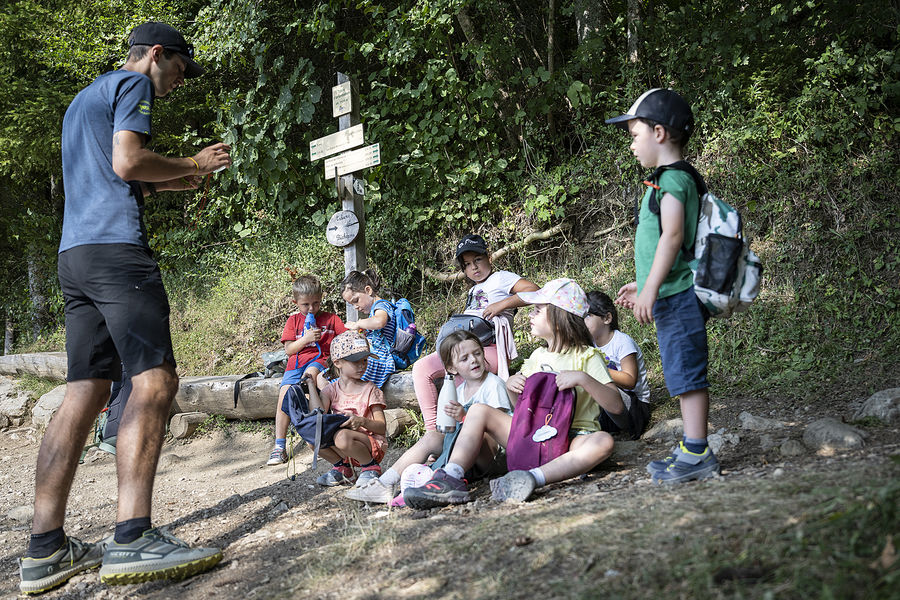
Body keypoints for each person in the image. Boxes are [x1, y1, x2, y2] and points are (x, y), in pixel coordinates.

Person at [18, 22, 231, 594]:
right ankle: (133, 537)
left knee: (85, 391)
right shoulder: (131, 86)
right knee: (155, 381)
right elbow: (128, 163)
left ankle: (45, 549)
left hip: (75, 256)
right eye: (180, 71)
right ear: (155, 55)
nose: (179, 84)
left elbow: (109, 178)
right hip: (118, 256)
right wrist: (190, 164)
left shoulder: (81, 101)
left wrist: (170, 183)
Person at [403, 278, 625, 508]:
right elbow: (520, 408)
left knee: (603, 441)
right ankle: (450, 476)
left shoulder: (587, 357)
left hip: (572, 437)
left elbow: (616, 406)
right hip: (532, 433)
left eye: (538, 311)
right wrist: (513, 388)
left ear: (559, 318)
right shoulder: (538, 357)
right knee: (478, 411)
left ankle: (532, 478)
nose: (530, 315)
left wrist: (583, 379)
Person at [605, 88, 720, 484]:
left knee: (687, 373)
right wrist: (644, 284)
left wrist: (652, 287)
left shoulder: (673, 180)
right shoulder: (667, 180)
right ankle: (692, 448)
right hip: (672, 292)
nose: (632, 145)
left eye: (634, 136)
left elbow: (673, 237)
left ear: (659, 132)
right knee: (680, 372)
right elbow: (667, 244)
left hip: (679, 296)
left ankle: (697, 451)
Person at [345, 330, 513, 504]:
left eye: (477, 353)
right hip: (466, 454)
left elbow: (494, 430)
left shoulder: (493, 385)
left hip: (491, 457)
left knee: (467, 421)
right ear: (451, 368)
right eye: (465, 358)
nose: (473, 360)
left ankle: (445, 475)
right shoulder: (458, 391)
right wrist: (441, 448)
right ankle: (384, 483)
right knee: (433, 436)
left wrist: (464, 417)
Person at [411, 234, 539, 431]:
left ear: (488, 257)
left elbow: (535, 290)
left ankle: (465, 428)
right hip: (465, 346)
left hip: (490, 348)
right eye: (468, 264)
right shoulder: (474, 290)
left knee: (463, 367)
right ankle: (433, 431)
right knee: (421, 368)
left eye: (478, 260)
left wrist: (503, 304)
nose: (474, 267)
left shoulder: (501, 278)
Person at [267, 275, 346, 466]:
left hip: (320, 360)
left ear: (322, 298)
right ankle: (279, 445)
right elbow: (289, 350)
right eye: (306, 305)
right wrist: (306, 338)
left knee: (310, 376)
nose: (311, 309)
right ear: (296, 303)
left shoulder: (330, 319)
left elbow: (345, 338)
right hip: (295, 363)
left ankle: (317, 431)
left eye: (316, 303)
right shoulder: (293, 321)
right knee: (284, 394)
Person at [312, 331, 388, 486]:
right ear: (338, 362)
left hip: (370, 445)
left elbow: (381, 427)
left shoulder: (370, 389)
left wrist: (362, 422)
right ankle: (343, 468)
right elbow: (316, 415)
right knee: (312, 435)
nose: (362, 365)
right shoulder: (330, 390)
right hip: (344, 447)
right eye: (355, 361)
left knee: (342, 437)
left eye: (365, 360)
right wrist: (310, 386)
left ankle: (370, 467)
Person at [585, 290, 651, 438]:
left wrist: (596, 370)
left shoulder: (622, 342)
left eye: (588, 316)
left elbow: (630, 380)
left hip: (635, 407)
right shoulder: (590, 345)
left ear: (607, 318)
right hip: (611, 406)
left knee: (589, 381)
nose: (583, 321)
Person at [341, 270, 397, 388]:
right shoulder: (374, 311)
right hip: (374, 359)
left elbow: (379, 321)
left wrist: (359, 324)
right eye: (352, 304)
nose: (355, 307)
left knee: (346, 370)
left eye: (356, 301)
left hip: (381, 361)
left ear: (368, 290)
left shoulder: (382, 305)